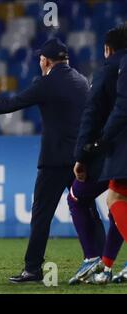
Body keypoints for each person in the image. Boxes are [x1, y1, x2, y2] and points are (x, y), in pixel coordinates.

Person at [0, 38, 90, 283]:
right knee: (86, 210)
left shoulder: (46, 83)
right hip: (80, 159)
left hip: (54, 162)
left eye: (41, 58)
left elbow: (12, 104)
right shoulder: (82, 81)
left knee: (41, 215)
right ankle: (98, 262)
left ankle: (33, 269)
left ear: (46, 61)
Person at [68, 25, 127, 285]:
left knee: (79, 196)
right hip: (116, 149)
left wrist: (83, 153)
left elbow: (92, 114)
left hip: (114, 150)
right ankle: (106, 265)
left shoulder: (108, 71)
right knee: (118, 198)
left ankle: (94, 259)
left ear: (107, 49)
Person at [81, 52, 127, 284]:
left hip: (120, 144)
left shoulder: (118, 65)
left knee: (115, 198)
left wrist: (102, 139)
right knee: (116, 202)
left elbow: (122, 106)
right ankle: (107, 267)